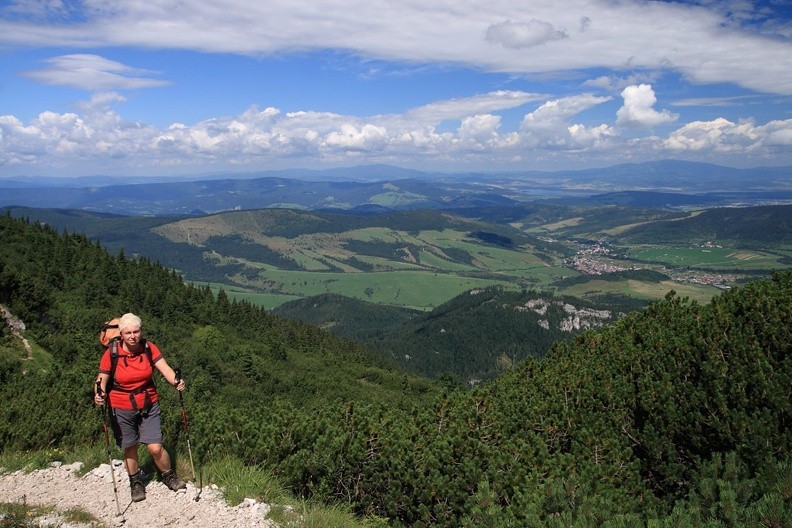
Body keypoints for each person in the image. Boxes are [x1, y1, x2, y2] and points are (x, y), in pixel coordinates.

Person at [94, 312, 187, 502]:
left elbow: (165, 368)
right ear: (121, 333)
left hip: (148, 402)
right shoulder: (111, 354)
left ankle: (168, 475)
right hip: (120, 405)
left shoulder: (148, 348)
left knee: (155, 447)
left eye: (136, 331)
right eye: (128, 332)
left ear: (141, 331)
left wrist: (176, 381)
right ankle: (135, 482)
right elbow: (101, 379)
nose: (133, 336)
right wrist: (99, 393)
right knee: (130, 446)